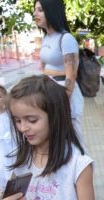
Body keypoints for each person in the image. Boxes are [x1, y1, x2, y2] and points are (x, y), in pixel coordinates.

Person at [33, 0, 84, 140]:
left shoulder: (66, 38)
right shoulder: (46, 37)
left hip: (64, 96)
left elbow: (71, 77)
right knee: (54, 141)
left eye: (40, 10)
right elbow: (44, 69)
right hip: (49, 93)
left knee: (71, 141)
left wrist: (62, 103)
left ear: (52, 11)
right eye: (35, 10)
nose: (35, 14)